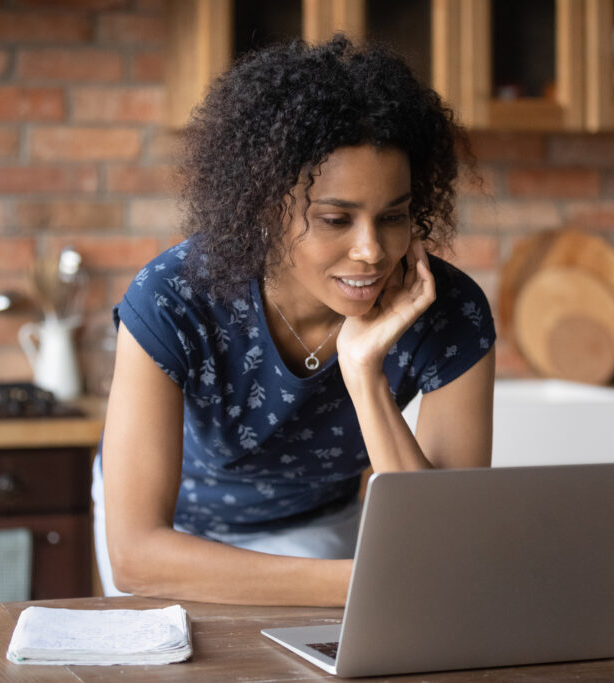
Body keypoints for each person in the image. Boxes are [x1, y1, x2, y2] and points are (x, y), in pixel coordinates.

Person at [93, 35, 496, 607]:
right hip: (174, 543)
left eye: (393, 217)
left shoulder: (447, 312)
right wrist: (369, 581)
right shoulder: (174, 298)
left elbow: (444, 542)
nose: (371, 251)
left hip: (321, 533)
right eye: (335, 219)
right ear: (265, 209)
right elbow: (136, 556)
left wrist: (364, 375)